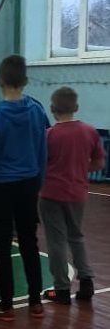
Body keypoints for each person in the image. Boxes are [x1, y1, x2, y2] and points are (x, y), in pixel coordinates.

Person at [0, 55, 47, 321]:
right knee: (30, 242)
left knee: (2, 246)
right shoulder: (37, 111)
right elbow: (42, 153)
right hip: (28, 185)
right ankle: (35, 302)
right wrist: (37, 183)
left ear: (0, 81)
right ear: (25, 80)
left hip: (2, 188)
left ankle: (6, 305)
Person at [39, 87, 105, 304]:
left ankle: (62, 289)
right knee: (76, 236)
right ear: (76, 107)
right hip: (77, 193)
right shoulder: (89, 131)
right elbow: (99, 162)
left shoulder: (48, 135)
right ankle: (86, 282)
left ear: (52, 108)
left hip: (51, 194)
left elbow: (40, 165)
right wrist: (80, 169)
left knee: (56, 241)